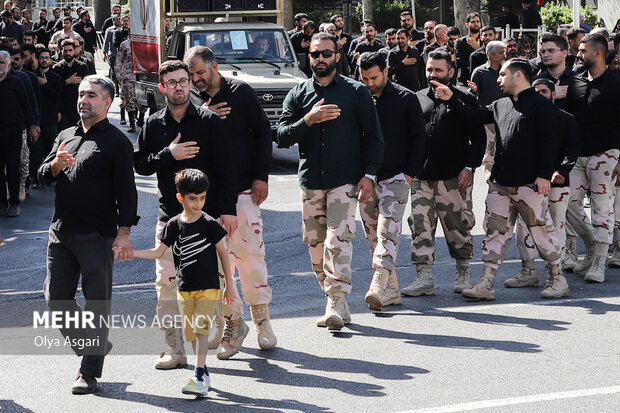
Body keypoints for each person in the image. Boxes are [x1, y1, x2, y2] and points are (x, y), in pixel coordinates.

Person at [432, 58, 568, 300]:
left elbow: (550, 142)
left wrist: (544, 175)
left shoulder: (541, 105)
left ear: (518, 76)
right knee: (495, 232)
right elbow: (473, 118)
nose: (498, 79)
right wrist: (451, 98)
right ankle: (485, 283)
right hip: (500, 183)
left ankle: (557, 278)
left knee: (540, 231)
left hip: (530, 184)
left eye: (502, 74)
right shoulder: (500, 104)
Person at [134, 59, 237, 369]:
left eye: (183, 81)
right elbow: (140, 165)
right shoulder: (153, 123)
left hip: (208, 219)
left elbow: (225, 169)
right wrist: (169, 154)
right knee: (167, 284)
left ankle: (235, 327)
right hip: (170, 218)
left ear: (190, 83)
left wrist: (228, 212)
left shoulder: (208, 121)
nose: (178, 87)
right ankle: (174, 349)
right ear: (162, 87)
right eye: (172, 82)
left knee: (214, 282)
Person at [38, 74, 138, 394]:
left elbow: (128, 193)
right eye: (81, 94)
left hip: (98, 235)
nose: (84, 100)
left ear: (107, 102)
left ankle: (88, 371)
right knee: (56, 299)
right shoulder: (65, 134)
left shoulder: (117, 142)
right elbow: (42, 176)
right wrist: (55, 166)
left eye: (91, 95)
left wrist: (124, 233)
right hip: (61, 233)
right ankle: (93, 345)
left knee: (97, 303)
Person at [278, 32, 383, 330]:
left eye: (326, 53)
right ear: (308, 57)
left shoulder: (355, 92)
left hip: (344, 180)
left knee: (338, 239)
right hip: (311, 180)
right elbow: (283, 136)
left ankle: (336, 299)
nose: (320, 59)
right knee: (314, 243)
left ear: (337, 56)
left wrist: (369, 175)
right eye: (315, 54)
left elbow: (374, 138)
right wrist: (309, 119)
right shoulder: (298, 94)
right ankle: (334, 297)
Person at [185, 45, 277, 357]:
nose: (196, 79)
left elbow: (264, 132)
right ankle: (230, 323)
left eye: (200, 72)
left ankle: (262, 321)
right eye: (191, 74)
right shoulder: (191, 101)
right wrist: (203, 116)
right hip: (204, 200)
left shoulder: (241, 92)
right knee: (216, 269)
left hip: (242, 192)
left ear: (214, 66)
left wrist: (261, 176)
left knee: (251, 259)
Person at [132, 168, 237, 397]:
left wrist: (229, 284)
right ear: (180, 198)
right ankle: (204, 370)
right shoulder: (172, 224)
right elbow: (159, 252)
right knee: (192, 333)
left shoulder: (210, 224)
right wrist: (132, 253)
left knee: (200, 330)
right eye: (193, 198)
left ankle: (198, 376)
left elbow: (223, 253)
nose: (198, 203)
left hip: (208, 288)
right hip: (184, 288)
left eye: (202, 198)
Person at [401, 49, 485, 297]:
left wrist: (469, 168)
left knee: (458, 226)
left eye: (438, 70)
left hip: (453, 177)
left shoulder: (465, 98)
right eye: (429, 69)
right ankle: (423, 278)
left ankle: (463, 273)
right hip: (421, 177)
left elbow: (478, 138)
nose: (432, 74)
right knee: (420, 227)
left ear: (450, 71)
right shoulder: (416, 98)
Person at [358, 51, 425, 310]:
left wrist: (409, 173)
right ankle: (392, 290)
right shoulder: (359, 96)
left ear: (386, 71)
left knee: (389, 230)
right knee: (373, 234)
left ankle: (378, 281)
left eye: (374, 77)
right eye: (364, 78)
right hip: (365, 179)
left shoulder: (405, 97)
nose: (369, 83)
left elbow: (419, 138)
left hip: (397, 176)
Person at [507, 78, 579, 288]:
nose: (540, 95)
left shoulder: (566, 120)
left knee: (555, 228)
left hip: (558, 182)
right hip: (530, 183)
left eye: (544, 92)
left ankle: (555, 273)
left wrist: (561, 171)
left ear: (553, 94)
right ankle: (528, 270)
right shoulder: (525, 118)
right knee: (523, 228)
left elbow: (572, 151)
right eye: (536, 92)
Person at [563, 34, 620, 282]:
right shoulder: (574, 81)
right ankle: (592, 246)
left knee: (602, 209)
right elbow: (567, 119)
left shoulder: (616, 84)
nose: (578, 53)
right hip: (576, 155)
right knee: (568, 204)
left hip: (606, 154)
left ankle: (598, 261)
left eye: (583, 50)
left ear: (597, 54)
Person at [0, 49, 33, 217]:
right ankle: (1, 202)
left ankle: (14, 202)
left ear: (9, 65)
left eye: (1, 63)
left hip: (13, 134)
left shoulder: (17, 83)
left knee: (13, 169)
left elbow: (27, 106)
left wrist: (33, 125)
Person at [34, 47, 62, 174]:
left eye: (47, 58)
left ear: (51, 60)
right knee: (36, 148)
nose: (44, 60)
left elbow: (58, 95)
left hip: (50, 117)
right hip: (36, 118)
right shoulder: (32, 76)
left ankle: (52, 172)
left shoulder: (55, 77)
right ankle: (38, 175)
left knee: (51, 146)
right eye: (42, 58)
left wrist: (45, 84)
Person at [534, 33, 577, 110]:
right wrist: (551, 94)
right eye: (543, 52)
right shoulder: (536, 81)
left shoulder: (577, 80)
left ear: (564, 53)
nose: (545, 55)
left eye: (551, 51)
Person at [53, 38, 89, 130]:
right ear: (61, 51)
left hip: (79, 108)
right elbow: (54, 89)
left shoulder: (82, 66)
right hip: (63, 109)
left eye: (70, 50)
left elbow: (88, 87)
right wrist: (67, 82)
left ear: (75, 51)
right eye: (65, 51)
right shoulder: (57, 68)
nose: (68, 53)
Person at [469, 41, 506, 107]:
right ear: (491, 55)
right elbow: (471, 95)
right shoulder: (479, 72)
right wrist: (474, 90)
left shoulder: (507, 70)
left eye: (504, 52)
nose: (504, 55)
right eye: (501, 53)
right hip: (486, 111)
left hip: (504, 111)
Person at [115, 37, 138, 132]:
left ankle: (140, 119)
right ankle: (132, 125)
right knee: (129, 99)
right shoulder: (124, 44)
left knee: (140, 102)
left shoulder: (144, 42)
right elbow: (119, 60)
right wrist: (118, 73)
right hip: (129, 76)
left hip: (142, 76)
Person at [455, 12, 482, 86]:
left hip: (482, 79)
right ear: (467, 24)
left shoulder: (485, 41)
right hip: (465, 80)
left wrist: (478, 48)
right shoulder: (460, 42)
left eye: (478, 21)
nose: (476, 24)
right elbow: (459, 63)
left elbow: (490, 60)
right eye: (473, 22)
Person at [103, 14, 121, 92]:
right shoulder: (110, 30)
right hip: (113, 54)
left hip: (121, 54)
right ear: (113, 21)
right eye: (116, 19)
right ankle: (116, 89)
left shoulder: (123, 29)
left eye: (119, 19)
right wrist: (104, 53)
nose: (118, 20)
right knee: (114, 72)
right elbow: (106, 42)